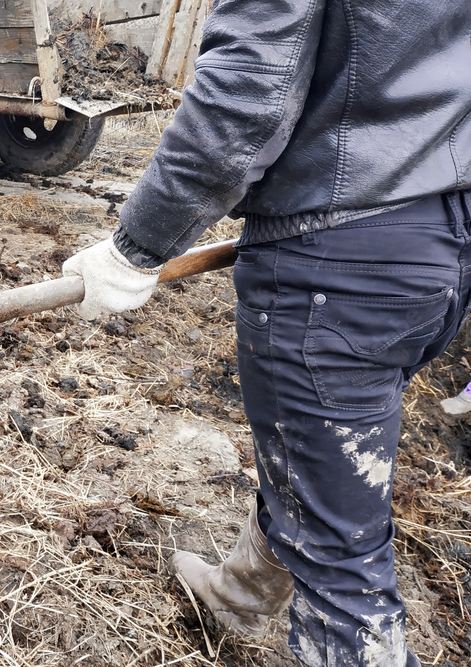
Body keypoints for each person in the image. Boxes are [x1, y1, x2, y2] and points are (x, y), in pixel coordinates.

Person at [62, 1, 471, 665]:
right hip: (440, 254)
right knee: (314, 449)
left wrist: (136, 246)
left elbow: (247, 100)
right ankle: (239, 596)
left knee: (342, 565)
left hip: (338, 264)